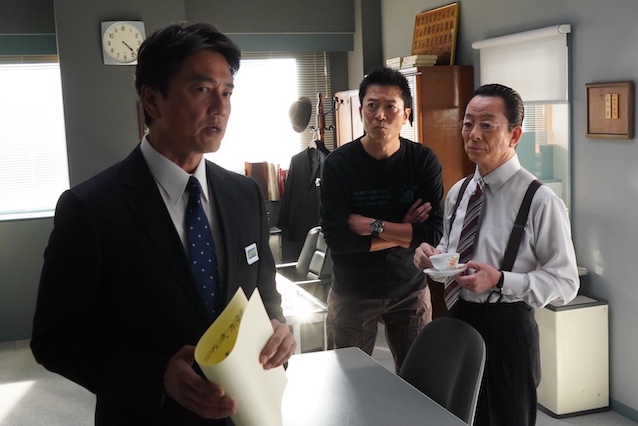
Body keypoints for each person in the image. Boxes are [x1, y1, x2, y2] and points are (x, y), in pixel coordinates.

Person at [30, 22, 295, 425]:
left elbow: (265, 298)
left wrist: (279, 332)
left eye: (227, 92)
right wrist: (156, 376)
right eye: (202, 89)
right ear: (152, 100)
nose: (220, 107)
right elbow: (54, 340)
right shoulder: (91, 209)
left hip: (245, 413)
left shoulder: (245, 196)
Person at [414, 83, 579, 426]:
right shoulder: (460, 191)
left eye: (487, 125)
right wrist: (434, 256)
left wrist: (501, 280)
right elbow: (453, 250)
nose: (473, 134)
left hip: (508, 329)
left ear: (514, 134)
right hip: (457, 319)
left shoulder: (540, 200)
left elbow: (565, 283)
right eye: (468, 123)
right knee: (454, 416)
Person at [320, 66, 444, 370]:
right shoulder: (338, 165)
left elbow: (432, 233)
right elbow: (338, 240)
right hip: (353, 292)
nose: (380, 115)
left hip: (409, 290)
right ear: (360, 111)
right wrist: (405, 231)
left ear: (406, 114)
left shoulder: (422, 161)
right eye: (372, 105)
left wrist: (371, 226)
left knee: (418, 380)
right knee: (348, 380)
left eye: (391, 107)